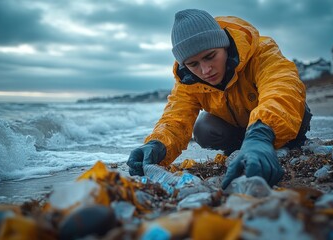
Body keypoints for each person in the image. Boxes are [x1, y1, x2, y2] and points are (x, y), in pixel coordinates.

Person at [126, 9, 312, 189]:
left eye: (210, 56)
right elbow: (176, 118)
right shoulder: (188, 81)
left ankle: (266, 143)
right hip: (238, 131)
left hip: (273, 126)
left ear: (225, 45)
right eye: (193, 64)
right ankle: (241, 149)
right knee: (204, 127)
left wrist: (260, 136)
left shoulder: (261, 52)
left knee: (292, 107)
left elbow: (282, 88)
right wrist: (157, 146)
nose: (205, 70)